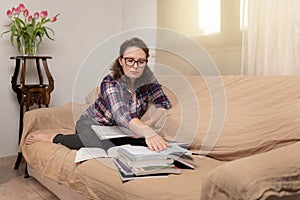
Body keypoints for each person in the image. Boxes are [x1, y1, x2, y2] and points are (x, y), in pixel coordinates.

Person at [26, 37, 172, 152]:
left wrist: (148, 123)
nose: (135, 66)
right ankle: (55, 137)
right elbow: (121, 115)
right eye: (130, 60)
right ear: (121, 60)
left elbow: (163, 102)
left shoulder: (148, 78)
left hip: (120, 130)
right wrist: (146, 131)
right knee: (102, 145)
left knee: (138, 143)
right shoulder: (110, 82)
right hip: (93, 124)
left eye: (141, 61)